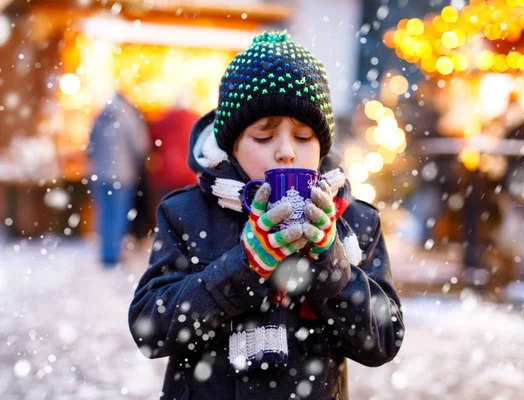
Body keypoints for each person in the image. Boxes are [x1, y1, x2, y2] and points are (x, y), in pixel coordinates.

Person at [128, 32, 404, 400]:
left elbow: (382, 341)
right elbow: (151, 330)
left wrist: (328, 262)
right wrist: (245, 265)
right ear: (232, 144)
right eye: (263, 137)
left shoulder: (354, 222)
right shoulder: (187, 213)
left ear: (322, 147)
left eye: (304, 137)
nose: (287, 152)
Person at [87, 90, 150, 267]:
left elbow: (90, 147)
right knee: (118, 215)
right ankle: (114, 254)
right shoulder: (129, 118)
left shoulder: (99, 118)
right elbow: (140, 146)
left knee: (104, 214)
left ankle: (106, 253)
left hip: (99, 174)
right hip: (122, 175)